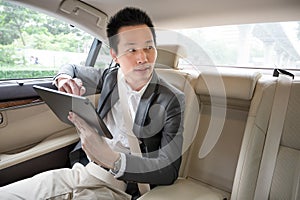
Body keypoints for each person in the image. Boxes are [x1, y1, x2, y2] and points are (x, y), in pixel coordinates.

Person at [0, 7, 184, 200]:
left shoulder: (172, 99)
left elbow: (169, 170)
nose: (143, 58)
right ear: (115, 56)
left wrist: (114, 160)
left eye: (149, 47)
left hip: (120, 185)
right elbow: (70, 68)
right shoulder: (110, 77)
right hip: (81, 171)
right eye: (131, 50)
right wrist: (63, 79)